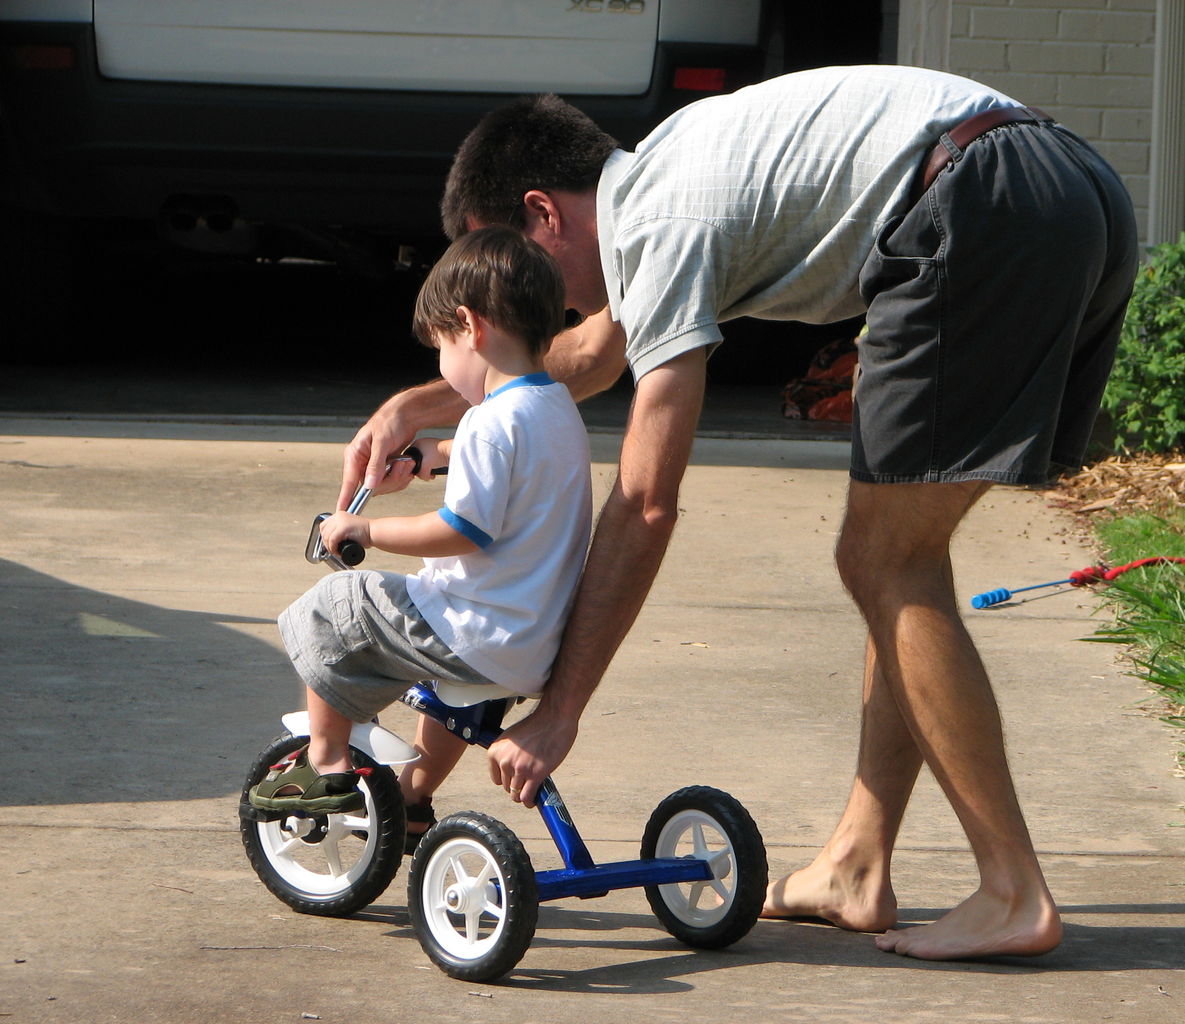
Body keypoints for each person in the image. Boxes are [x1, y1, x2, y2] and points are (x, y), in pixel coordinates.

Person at [339, 65, 1138, 959]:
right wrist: (425, 408)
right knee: (895, 556)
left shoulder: (656, 221)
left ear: (543, 214)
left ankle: (1012, 890)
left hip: (979, 203)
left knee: (885, 561)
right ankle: (857, 862)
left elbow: (645, 502)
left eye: (516, 279)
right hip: (1064, 190)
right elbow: (589, 359)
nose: (534, 305)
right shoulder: (664, 172)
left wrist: (559, 711)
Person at [249, 226, 592, 854]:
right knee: (447, 700)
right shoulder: (555, 407)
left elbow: (461, 529)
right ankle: (409, 801)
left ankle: (325, 764)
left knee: (337, 608)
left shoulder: (489, 423)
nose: (441, 364)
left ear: (470, 327)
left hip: (475, 629)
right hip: (533, 640)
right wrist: (434, 455)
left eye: (440, 345)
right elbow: (513, 464)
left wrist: (365, 529)